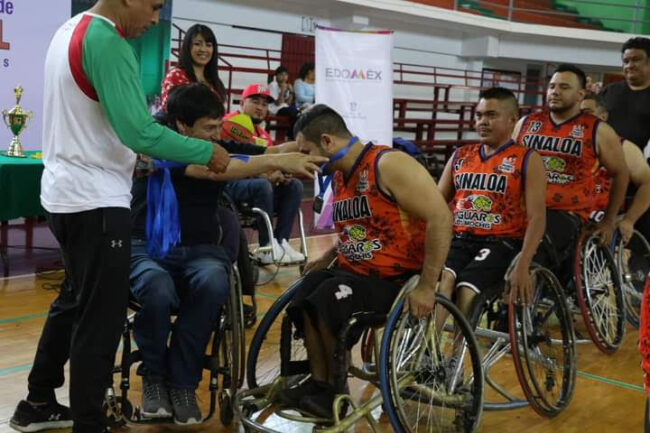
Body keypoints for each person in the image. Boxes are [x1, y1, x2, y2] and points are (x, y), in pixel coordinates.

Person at [9, 2, 231, 433]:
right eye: (151, 7)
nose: (153, 20)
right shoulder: (107, 41)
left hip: (64, 195)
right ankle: (90, 423)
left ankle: (37, 400)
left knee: (73, 302)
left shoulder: (70, 29)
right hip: (95, 201)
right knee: (100, 320)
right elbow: (139, 132)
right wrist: (208, 150)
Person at [129, 83, 325, 424]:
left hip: (202, 248)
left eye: (219, 126)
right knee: (156, 287)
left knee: (213, 282)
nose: (217, 135)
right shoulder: (159, 144)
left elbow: (266, 148)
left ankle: (183, 384)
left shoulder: (214, 141)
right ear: (182, 126)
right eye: (209, 128)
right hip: (148, 247)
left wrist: (310, 139)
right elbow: (218, 167)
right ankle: (154, 378)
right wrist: (278, 161)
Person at [278, 104, 452, 418]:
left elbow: (441, 218)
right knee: (307, 291)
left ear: (328, 142)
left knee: (330, 297)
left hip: (395, 282)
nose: (304, 159)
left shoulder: (389, 164)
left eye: (307, 151)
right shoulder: (340, 174)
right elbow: (359, 230)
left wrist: (427, 285)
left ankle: (335, 390)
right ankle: (320, 385)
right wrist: (328, 256)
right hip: (354, 274)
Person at [513, 64, 629, 280]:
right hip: (521, 207)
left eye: (564, 87)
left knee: (533, 252)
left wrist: (608, 221)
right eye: (552, 86)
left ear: (581, 94)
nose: (555, 91)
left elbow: (621, 174)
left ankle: (524, 304)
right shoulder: (525, 123)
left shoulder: (598, 130)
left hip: (564, 213)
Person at [437, 87, 546, 316]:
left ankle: (458, 351)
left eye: (491, 115)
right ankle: (432, 350)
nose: (482, 122)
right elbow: (436, 204)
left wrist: (524, 263)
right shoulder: (460, 155)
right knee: (443, 281)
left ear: (512, 119)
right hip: (459, 238)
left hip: (500, 242)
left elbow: (537, 217)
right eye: (479, 115)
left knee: (467, 289)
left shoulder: (527, 158)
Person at [222, 84, 306, 264]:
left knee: (294, 186)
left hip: (257, 188)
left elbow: (268, 164)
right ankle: (266, 246)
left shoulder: (263, 135)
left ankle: (281, 241)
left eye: (264, 104)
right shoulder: (231, 124)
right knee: (262, 185)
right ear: (242, 102)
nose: (260, 108)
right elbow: (231, 162)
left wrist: (281, 174)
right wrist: (265, 175)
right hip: (228, 184)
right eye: (255, 102)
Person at [581, 93, 650, 243]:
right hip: (574, 214)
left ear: (603, 116)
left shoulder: (624, 147)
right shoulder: (567, 146)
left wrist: (629, 220)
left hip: (605, 218)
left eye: (587, 113)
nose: (580, 119)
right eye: (576, 113)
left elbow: (648, 184)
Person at [600, 37, 650, 241]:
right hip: (606, 173)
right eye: (626, 61)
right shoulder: (610, 92)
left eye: (636, 60)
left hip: (640, 175)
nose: (629, 65)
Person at [160, 23, 226, 109]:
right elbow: (169, 110)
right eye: (197, 44)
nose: (203, 49)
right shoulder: (175, 75)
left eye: (208, 45)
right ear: (187, 46)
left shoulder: (215, 81)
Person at [268, 65, 297, 140]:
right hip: (274, 109)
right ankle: (290, 136)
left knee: (298, 112)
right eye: (281, 74)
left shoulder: (286, 85)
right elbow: (277, 103)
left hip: (284, 107)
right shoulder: (273, 85)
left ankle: (291, 135)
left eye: (285, 75)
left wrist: (291, 92)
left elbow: (288, 103)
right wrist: (283, 90)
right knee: (294, 112)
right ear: (276, 76)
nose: (284, 77)